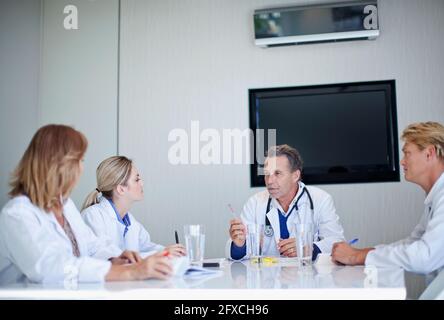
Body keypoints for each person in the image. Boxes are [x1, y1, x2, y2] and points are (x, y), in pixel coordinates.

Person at [0, 124, 172, 283]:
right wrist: (131, 272)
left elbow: (91, 246)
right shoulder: (17, 214)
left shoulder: (64, 205)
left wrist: (116, 257)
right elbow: (50, 268)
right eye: (80, 161)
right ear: (60, 165)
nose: (82, 169)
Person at [332, 122, 444, 281]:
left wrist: (356, 257)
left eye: (407, 153)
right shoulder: (436, 198)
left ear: (429, 153)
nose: (402, 162)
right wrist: (358, 253)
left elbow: (424, 257)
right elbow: (412, 244)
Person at [226, 144, 345, 260]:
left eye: (277, 173)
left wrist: (310, 248)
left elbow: (336, 241)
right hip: (267, 277)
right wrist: (240, 245)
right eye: (267, 174)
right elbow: (241, 254)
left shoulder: (321, 200)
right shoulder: (255, 203)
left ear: (295, 175)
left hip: (307, 276)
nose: (270, 181)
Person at [81, 156, 186, 258]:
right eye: (137, 180)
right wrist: (161, 254)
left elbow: (147, 247)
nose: (142, 183)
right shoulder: (93, 216)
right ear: (121, 189)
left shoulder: (131, 221)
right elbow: (110, 257)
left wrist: (169, 251)